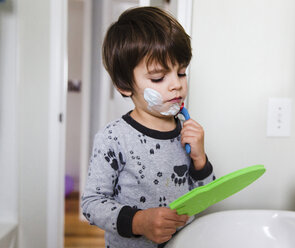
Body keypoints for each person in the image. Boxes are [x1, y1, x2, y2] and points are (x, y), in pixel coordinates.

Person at [81, 6, 215, 248]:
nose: (176, 84)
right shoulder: (113, 138)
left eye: (182, 72)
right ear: (124, 84)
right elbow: (92, 204)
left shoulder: (186, 132)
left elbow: (205, 198)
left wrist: (201, 161)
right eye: (158, 78)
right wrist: (138, 221)